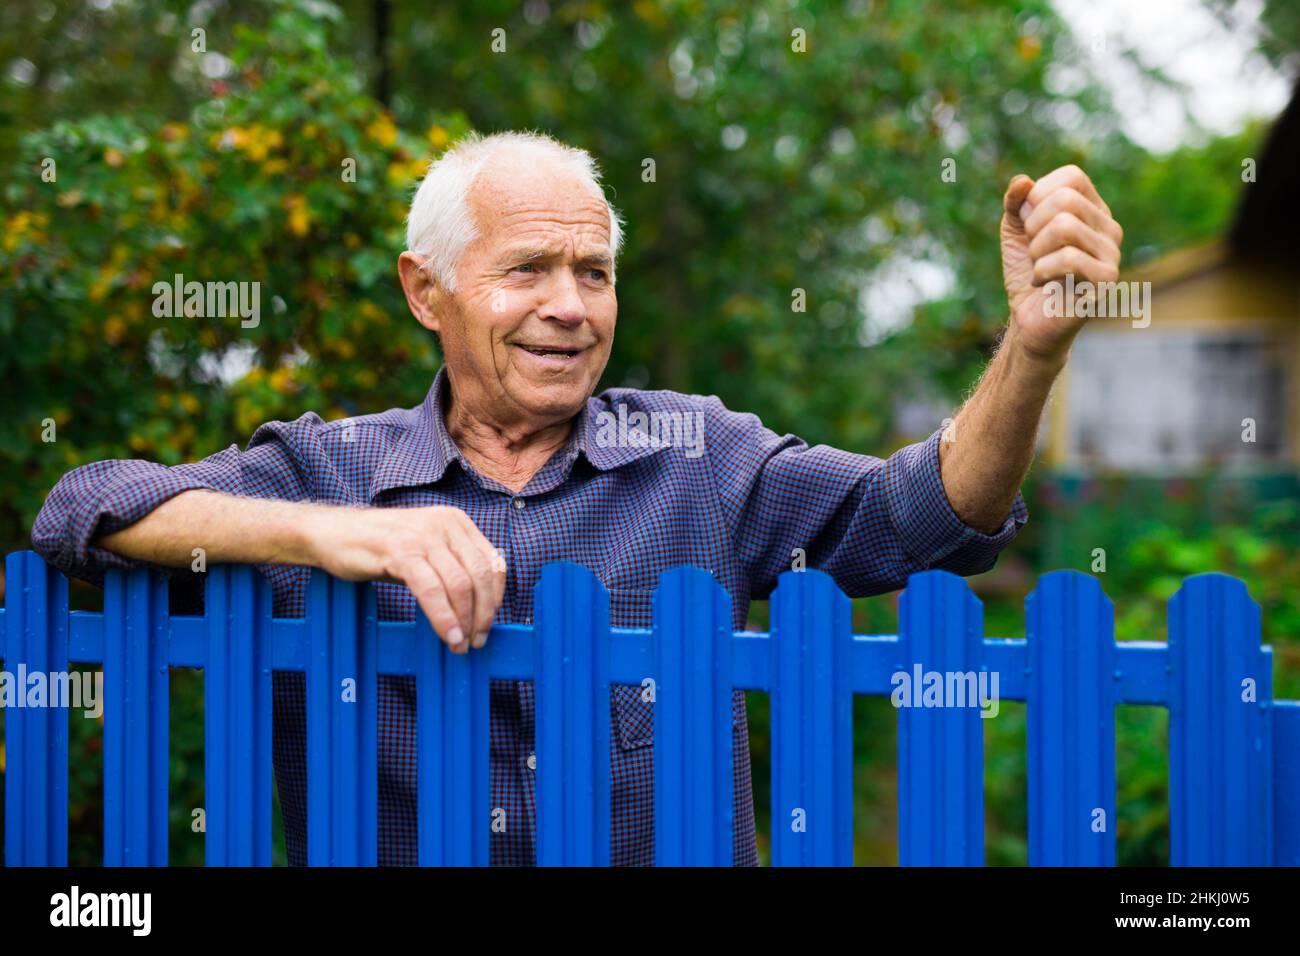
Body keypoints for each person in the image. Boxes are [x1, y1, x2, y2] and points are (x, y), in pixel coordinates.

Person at [32, 129, 1124, 865]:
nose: (569, 307)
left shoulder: (701, 455)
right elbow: (87, 507)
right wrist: (337, 534)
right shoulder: (326, 471)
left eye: (592, 271)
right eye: (528, 270)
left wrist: (1029, 353)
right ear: (429, 290)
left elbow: (923, 514)